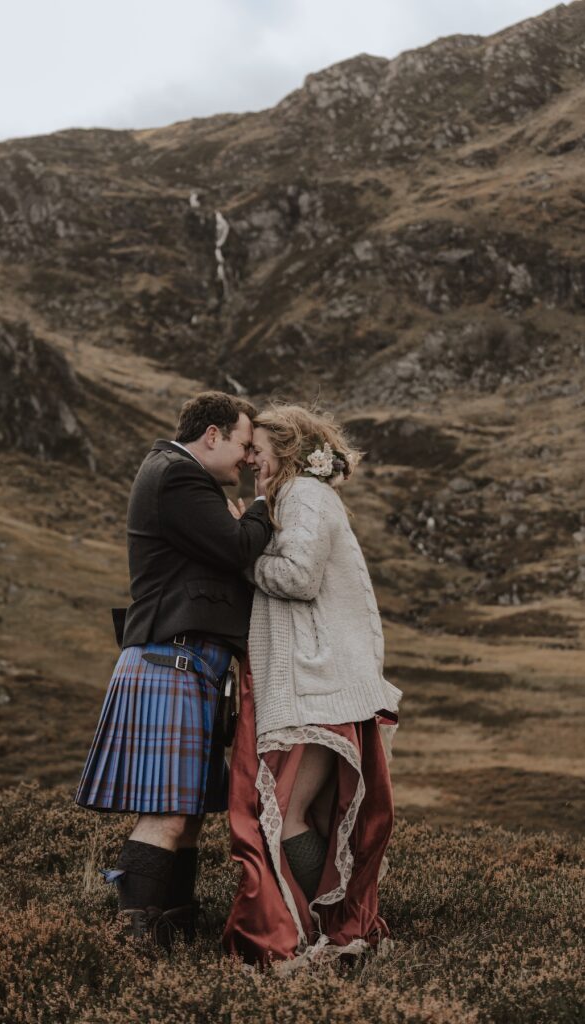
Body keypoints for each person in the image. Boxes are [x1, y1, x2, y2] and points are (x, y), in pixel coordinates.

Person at [75, 391, 272, 944]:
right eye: (242, 443)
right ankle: (133, 936)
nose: (247, 458)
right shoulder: (178, 477)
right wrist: (261, 507)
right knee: (167, 811)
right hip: (171, 663)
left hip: (189, 667)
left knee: (186, 815)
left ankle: (174, 932)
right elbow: (237, 547)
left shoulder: (181, 478)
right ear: (212, 435)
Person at [222, 403, 402, 969]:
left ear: (288, 451)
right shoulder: (301, 497)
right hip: (317, 683)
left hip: (314, 685)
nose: (250, 458)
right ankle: (339, 928)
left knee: (288, 812)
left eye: (258, 449)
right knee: (318, 816)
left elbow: (298, 578)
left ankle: (321, 931)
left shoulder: (304, 495)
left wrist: (239, 557)